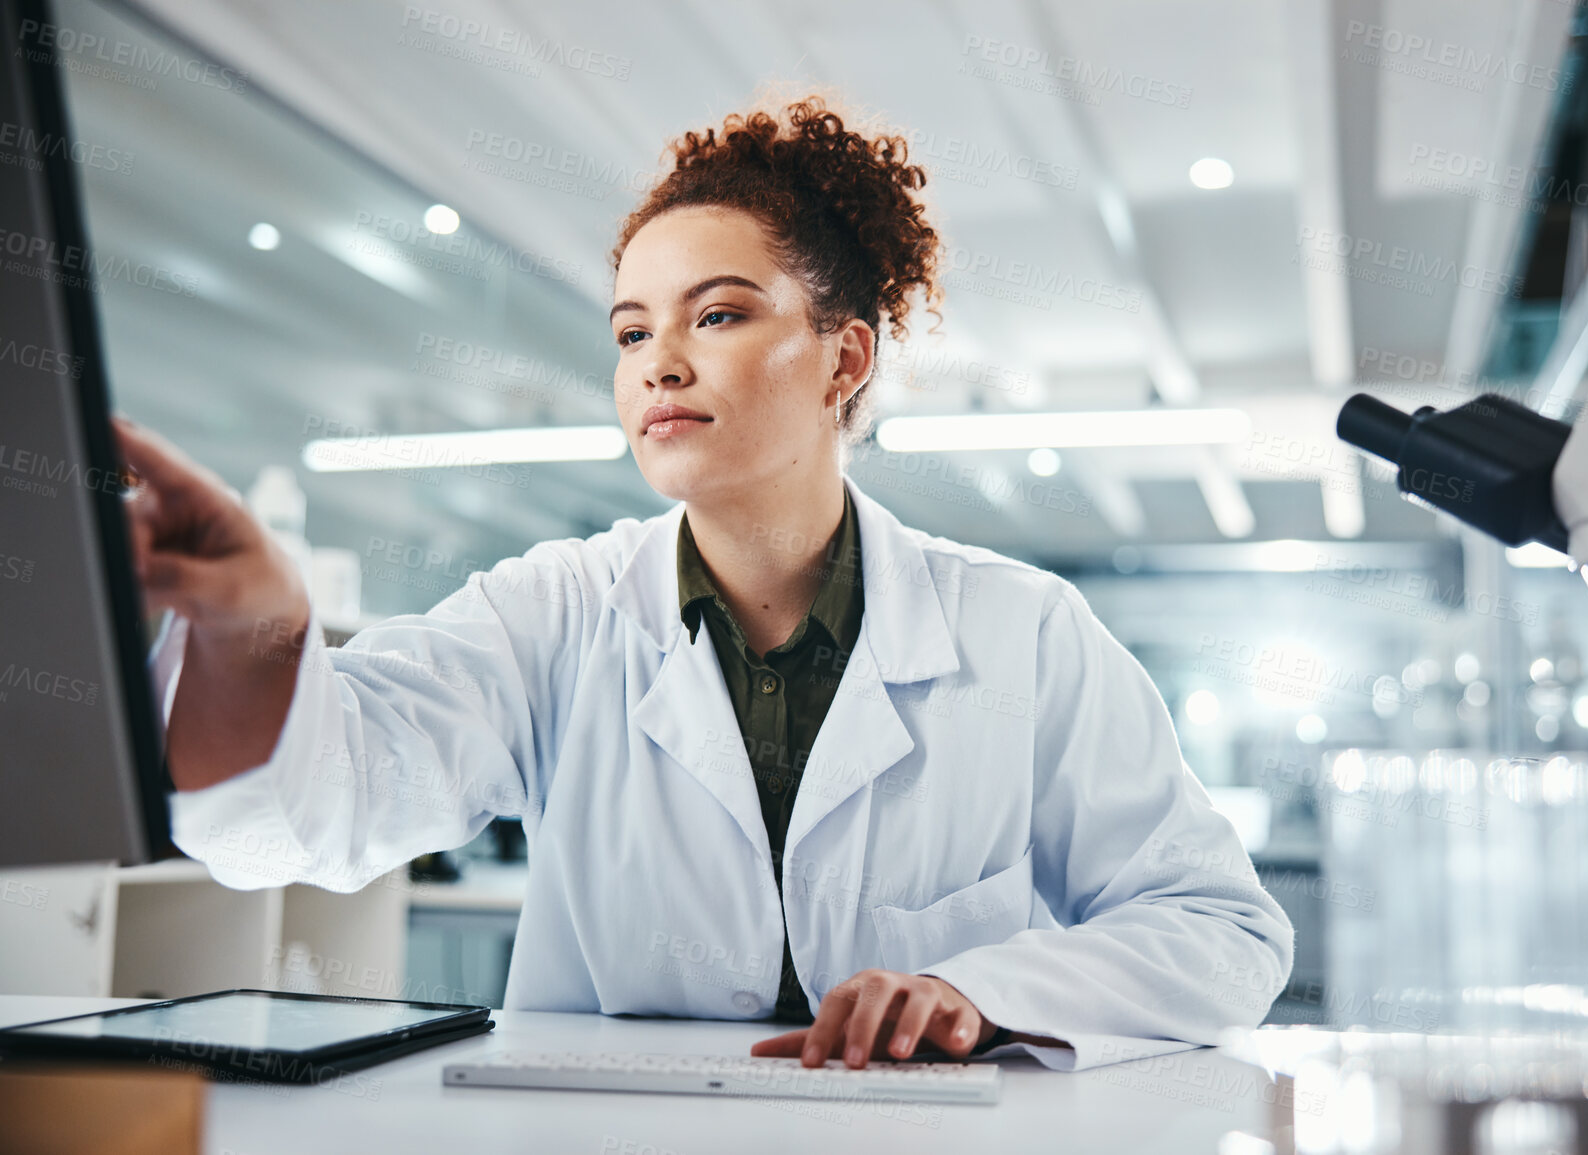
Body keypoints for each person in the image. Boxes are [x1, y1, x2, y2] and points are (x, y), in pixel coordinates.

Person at [115, 94, 1293, 1073]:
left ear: (847, 356)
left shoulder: (1022, 633)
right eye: (631, 334)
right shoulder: (553, 612)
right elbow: (297, 821)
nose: (658, 363)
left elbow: (1222, 932)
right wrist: (256, 632)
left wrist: (971, 990)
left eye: (717, 314)